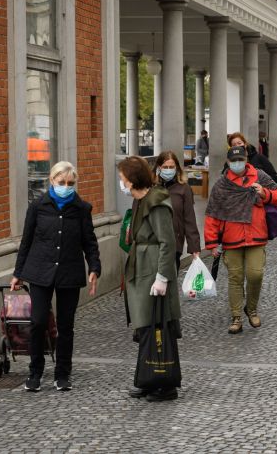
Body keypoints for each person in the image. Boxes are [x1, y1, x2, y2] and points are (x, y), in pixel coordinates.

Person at [12, 161, 101, 393]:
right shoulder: (38, 206)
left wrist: (94, 268)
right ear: (52, 181)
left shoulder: (81, 209)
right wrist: (18, 273)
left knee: (66, 326)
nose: (66, 187)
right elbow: (26, 241)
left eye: (71, 183)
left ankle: (62, 374)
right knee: (38, 321)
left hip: (69, 273)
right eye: (61, 182)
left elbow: (89, 242)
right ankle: (35, 373)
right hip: (40, 272)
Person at [118, 156, 181, 402]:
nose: (121, 183)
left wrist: (162, 277)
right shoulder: (139, 201)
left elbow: (167, 242)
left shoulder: (156, 202)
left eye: (123, 179)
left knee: (156, 326)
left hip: (152, 270)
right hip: (141, 268)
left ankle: (164, 384)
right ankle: (146, 379)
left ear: (133, 180)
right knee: (144, 327)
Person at [205, 146, 277, 334]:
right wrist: (211, 242)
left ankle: (252, 308)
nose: (237, 164)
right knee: (235, 278)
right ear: (228, 162)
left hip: (256, 235)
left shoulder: (260, 176)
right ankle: (236, 317)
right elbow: (212, 214)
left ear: (246, 159)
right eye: (234, 161)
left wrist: (265, 193)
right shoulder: (222, 184)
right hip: (231, 238)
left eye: (240, 160)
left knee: (256, 274)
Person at [153, 151, 201, 270]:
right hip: (153, 242)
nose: (168, 170)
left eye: (171, 167)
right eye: (165, 167)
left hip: (174, 243)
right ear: (159, 168)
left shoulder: (184, 189)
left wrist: (194, 246)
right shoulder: (151, 188)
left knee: (170, 280)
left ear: (177, 168)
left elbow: (189, 219)